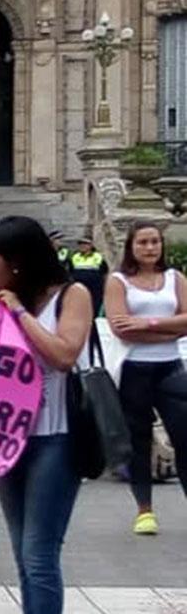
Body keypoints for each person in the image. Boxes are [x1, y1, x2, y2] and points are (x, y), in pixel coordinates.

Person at [0, 216, 91, 614]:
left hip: (57, 437)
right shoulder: (3, 303)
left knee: (41, 554)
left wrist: (19, 313)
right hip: (11, 439)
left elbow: (64, 354)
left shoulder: (73, 296)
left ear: (17, 261)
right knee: (23, 553)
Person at [105, 221, 187, 536]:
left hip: (171, 367)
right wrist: (169, 327)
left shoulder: (174, 279)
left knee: (184, 437)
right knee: (138, 440)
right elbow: (119, 327)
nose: (150, 248)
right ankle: (144, 510)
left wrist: (147, 323)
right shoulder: (119, 281)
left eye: (155, 242)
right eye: (143, 242)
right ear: (131, 246)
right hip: (134, 368)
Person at [67, 235, 109, 315]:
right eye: (80, 244)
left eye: (85, 244)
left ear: (91, 245)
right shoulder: (74, 257)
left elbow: (105, 273)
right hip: (79, 288)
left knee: (94, 309)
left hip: (95, 289)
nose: (82, 246)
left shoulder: (98, 257)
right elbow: (70, 272)